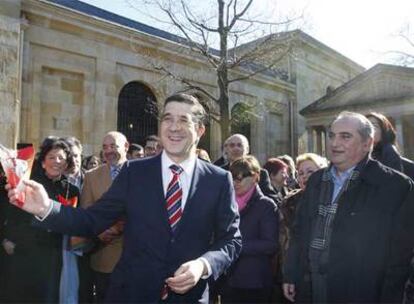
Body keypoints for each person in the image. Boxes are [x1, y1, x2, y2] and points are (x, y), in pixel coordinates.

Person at [7, 93, 242, 303]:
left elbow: (231, 240)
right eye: (168, 118)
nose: (173, 127)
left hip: (190, 298)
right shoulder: (134, 172)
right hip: (131, 293)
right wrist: (46, 207)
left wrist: (203, 265)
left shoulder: (219, 180)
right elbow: (91, 220)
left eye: (184, 120)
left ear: (200, 131)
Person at [282, 111, 414, 303]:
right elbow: (300, 231)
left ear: (367, 143)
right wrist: (291, 274)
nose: (334, 143)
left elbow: (400, 255)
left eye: (345, 136)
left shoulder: (395, 186)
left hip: (364, 291)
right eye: (332, 136)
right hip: (312, 287)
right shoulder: (316, 180)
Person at [2, 137, 79, 303]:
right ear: (43, 162)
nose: (56, 161)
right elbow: (10, 213)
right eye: (51, 157)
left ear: (67, 164)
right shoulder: (28, 184)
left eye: (61, 158)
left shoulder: (72, 191)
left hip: (54, 253)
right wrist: (6, 238)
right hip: (24, 249)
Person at [220, 155, 278, 303]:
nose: (235, 183)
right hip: (228, 281)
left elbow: (270, 244)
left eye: (240, 178)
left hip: (254, 282)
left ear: (255, 177)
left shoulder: (266, 205)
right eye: (232, 178)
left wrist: (234, 246)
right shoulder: (226, 202)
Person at [80, 131, 129, 302]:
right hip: (104, 255)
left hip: (135, 254)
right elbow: (87, 210)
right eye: (105, 147)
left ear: (126, 147)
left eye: (113, 146)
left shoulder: (141, 173)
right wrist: (103, 233)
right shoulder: (91, 176)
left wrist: (120, 228)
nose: (109, 151)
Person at [221, 134, 278, 202]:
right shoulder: (219, 173)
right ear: (226, 150)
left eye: (240, 145)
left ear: (247, 149)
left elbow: (271, 199)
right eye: (232, 145)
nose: (236, 149)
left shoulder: (261, 174)